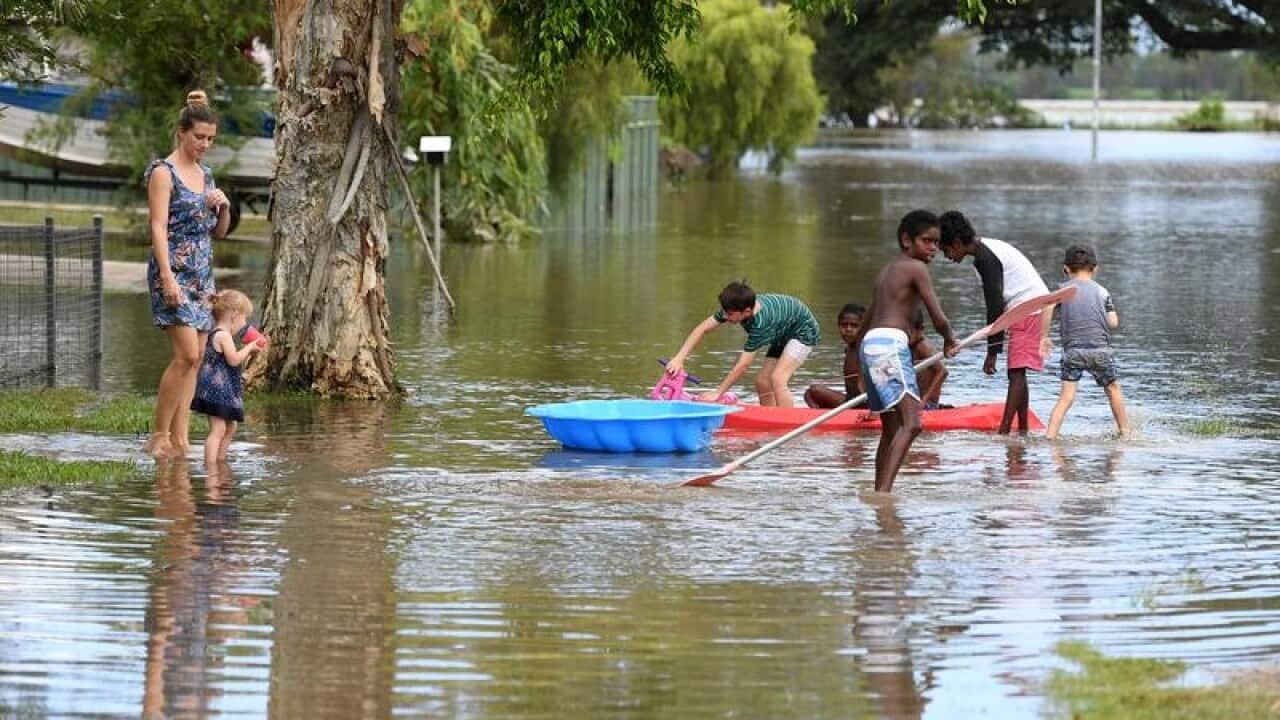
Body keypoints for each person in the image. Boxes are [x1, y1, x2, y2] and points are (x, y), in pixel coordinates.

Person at [144, 90, 232, 459]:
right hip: (173, 270)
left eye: (210, 139)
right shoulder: (163, 173)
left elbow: (219, 231)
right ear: (182, 132)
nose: (205, 144)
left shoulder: (206, 174)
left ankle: (180, 439)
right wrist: (166, 277)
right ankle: (158, 436)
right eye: (199, 137)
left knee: (197, 357)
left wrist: (224, 206)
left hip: (201, 274)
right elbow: (158, 226)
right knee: (187, 356)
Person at [854, 210, 958, 492]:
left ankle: (878, 490)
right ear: (905, 240)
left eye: (936, 243)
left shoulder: (886, 272)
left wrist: (860, 363)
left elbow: (866, 322)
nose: (933, 248)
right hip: (890, 345)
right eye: (927, 241)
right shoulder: (916, 268)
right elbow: (938, 316)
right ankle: (884, 495)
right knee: (912, 424)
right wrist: (949, 339)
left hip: (871, 346)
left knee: (891, 429)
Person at [938, 210, 1049, 434]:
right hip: (1025, 310)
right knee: (1017, 374)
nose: (946, 256)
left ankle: (1005, 432)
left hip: (1029, 309)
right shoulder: (984, 251)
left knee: (1016, 374)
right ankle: (1023, 431)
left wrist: (993, 350)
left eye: (946, 249)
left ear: (957, 243)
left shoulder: (985, 258)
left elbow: (995, 305)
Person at [664, 281, 820, 408]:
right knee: (762, 382)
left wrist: (718, 393)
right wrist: (679, 358)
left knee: (778, 378)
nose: (725, 316)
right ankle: (769, 419)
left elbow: (743, 365)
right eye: (724, 312)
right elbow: (702, 329)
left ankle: (787, 424)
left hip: (802, 331)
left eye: (729, 314)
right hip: (782, 330)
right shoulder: (734, 307)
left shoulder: (760, 324)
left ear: (746, 312)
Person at [1043, 245, 1130, 439]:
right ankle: (1125, 432)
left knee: (1066, 397)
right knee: (1113, 389)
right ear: (1095, 268)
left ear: (1066, 268)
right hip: (1100, 352)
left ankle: (1050, 435)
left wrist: (1044, 336)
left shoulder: (1062, 291)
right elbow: (1113, 322)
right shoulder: (1102, 292)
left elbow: (1047, 307)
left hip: (1072, 353)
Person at [191, 289, 265, 465]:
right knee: (218, 428)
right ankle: (210, 466)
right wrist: (250, 347)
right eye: (244, 319)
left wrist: (251, 349)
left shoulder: (222, 334)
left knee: (231, 427)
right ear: (234, 315)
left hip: (223, 389)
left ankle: (220, 460)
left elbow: (233, 362)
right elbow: (233, 360)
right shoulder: (222, 335)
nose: (245, 324)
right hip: (215, 390)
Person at [804, 303, 865, 409]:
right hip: (850, 400)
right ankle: (822, 418)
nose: (848, 329)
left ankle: (822, 419)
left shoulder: (865, 350)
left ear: (864, 328)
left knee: (815, 390)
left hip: (863, 404)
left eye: (854, 325)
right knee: (809, 394)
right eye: (844, 325)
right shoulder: (849, 349)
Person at [907, 307, 951, 409]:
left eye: (909, 332)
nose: (906, 336)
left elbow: (943, 371)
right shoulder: (908, 346)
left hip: (927, 403)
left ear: (920, 330)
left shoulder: (923, 346)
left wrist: (924, 400)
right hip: (915, 399)